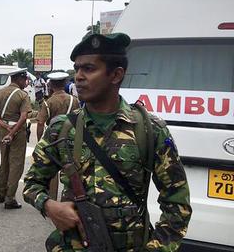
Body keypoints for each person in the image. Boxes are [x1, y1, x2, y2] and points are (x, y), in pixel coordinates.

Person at [23, 33, 191, 251]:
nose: (79, 77)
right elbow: (32, 182)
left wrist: (156, 248)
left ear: (116, 75)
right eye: (77, 68)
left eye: (89, 69)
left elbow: (177, 203)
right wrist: (49, 206)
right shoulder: (62, 129)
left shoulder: (148, 129)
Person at [0, 68, 32, 209]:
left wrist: (5, 127)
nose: (26, 83)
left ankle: (2, 193)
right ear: (19, 79)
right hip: (17, 131)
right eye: (24, 80)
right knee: (16, 164)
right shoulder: (22, 95)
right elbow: (24, 117)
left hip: (3, 129)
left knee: (5, 161)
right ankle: (10, 198)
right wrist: (12, 131)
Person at [35, 71, 80, 201]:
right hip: (70, 139)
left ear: (51, 85)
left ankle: (52, 199)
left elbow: (40, 123)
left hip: (53, 139)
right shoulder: (74, 100)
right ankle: (71, 199)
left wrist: (40, 141)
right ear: (65, 83)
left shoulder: (48, 103)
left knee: (53, 171)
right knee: (71, 169)